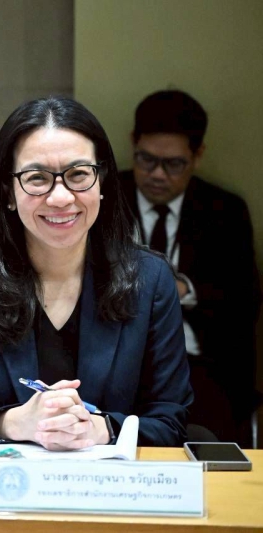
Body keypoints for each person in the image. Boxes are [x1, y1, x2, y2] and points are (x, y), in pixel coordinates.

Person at [0, 96, 193, 449]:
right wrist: (16, 423)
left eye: (78, 175)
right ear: (8, 192)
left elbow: (171, 421)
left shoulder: (150, 280)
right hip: (2, 481)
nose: (60, 197)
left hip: (109, 481)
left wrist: (100, 429)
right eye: (37, 178)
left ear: (102, 183)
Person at [119, 90, 261, 445]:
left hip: (197, 365)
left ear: (197, 156)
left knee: (209, 438)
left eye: (173, 164)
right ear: (133, 143)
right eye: (146, 159)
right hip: (117, 361)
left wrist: (184, 289)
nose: (157, 174)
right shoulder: (106, 197)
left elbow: (245, 300)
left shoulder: (223, 211)